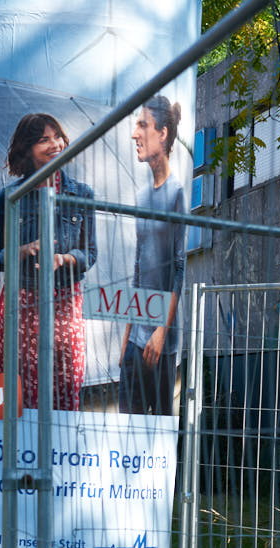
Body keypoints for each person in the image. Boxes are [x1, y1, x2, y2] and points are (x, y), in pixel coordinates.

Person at [0, 113, 98, 411]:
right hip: (21, 303)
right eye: (43, 139)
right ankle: (11, 451)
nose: (54, 144)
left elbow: (91, 253)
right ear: (27, 148)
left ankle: (56, 452)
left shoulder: (82, 194)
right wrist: (21, 251)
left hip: (65, 303)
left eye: (56, 136)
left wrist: (65, 259)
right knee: (14, 381)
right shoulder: (9, 197)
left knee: (64, 380)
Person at [119, 96, 186, 415]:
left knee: (158, 436)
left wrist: (161, 331)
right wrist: (128, 333)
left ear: (162, 133)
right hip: (136, 339)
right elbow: (138, 267)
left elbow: (179, 268)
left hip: (162, 340)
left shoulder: (177, 194)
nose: (135, 134)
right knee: (125, 432)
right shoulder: (141, 197)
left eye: (142, 125)